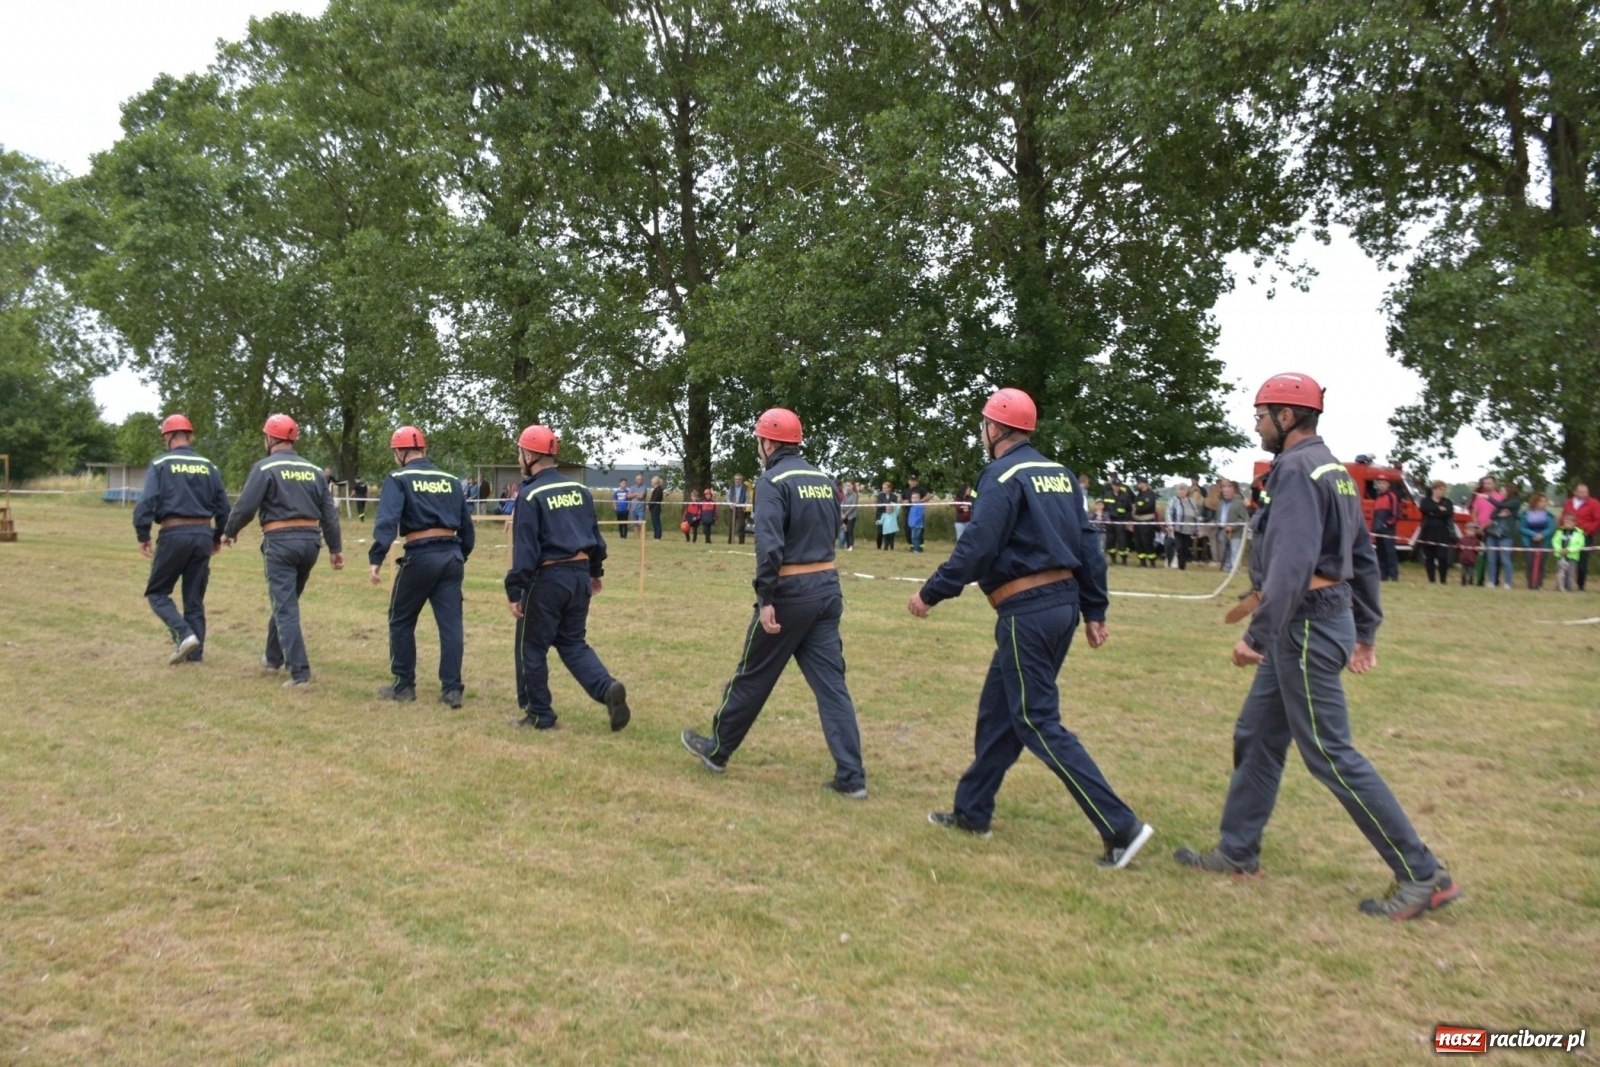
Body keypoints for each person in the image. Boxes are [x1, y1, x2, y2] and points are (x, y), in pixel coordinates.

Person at [1174, 372, 1458, 920]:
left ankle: (1422, 872)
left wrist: (1256, 635)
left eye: (1261, 415)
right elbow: (1363, 557)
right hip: (1315, 623)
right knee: (1257, 733)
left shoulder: (1298, 471)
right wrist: (1366, 628)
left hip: (1304, 627)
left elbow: (1294, 563)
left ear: (1286, 417)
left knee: (1330, 753)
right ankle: (1237, 851)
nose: (1256, 425)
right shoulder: (1334, 471)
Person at [908, 388, 1151, 868]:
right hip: (1060, 607)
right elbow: (1088, 546)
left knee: (1037, 721)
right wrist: (1094, 610)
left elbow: (978, 544)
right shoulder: (1061, 476)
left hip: (1027, 611)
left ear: (996, 428)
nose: (982, 433)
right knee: (998, 713)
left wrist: (932, 592)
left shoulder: (1001, 475)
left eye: (984, 425)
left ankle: (1121, 826)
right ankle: (972, 811)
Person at [681, 408, 867, 798]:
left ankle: (717, 750)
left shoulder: (771, 481)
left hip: (789, 593)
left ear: (768, 442)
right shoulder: (823, 479)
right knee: (833, 687)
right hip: (827, 588)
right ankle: (852, 777)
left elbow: (768, 545)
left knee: (752, 675)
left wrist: (766, 597)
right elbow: (832, 530)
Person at [504, 424, 630, 732]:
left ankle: (539, 714)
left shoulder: (530, 495)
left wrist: (515, 588)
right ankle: (606, 688)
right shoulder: (579, 491)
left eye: (520, 453)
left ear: (530, 455)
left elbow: (526, 548)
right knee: (572, 642)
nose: (519, 459)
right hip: (579, 577)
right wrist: (595, 571)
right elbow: (595, 536)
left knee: (531, 647)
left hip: (548, 578)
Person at [222, 413, 345, 688]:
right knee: (286, 601)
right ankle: (272, 657)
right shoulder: (314, 471)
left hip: (280, 542)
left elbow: (245, 506)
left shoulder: (265, 468)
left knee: (285, 606)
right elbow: (329, 513)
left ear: (269, 438)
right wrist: (335, 548)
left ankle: (299, 674)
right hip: (310, 543)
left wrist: (229, 531)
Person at [368, 426, 476, 707]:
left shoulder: (399, 478)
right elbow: (467, 527)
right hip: (452, 555)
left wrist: (377, 557)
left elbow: (388, 520)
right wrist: (459, 555)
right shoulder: (450, 480)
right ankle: (452, 689)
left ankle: (404, 685)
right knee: (451, 626)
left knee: (401, 619)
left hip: (420, 554)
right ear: (424, 450)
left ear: (399, 452)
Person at [133, 414, 231, 665]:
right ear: (191, 436)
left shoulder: (161, 464)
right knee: (194, 599)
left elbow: (147, 501)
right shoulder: (209, 466)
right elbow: (224, 507)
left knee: (157, 592)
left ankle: (184, 635)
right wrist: (217, 536)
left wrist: (143, 533)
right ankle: (195, 657)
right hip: (203, 535)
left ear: (167, 437)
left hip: (174, 533)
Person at [1559, 484, 1600, 591]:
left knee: (1582, 563)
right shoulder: (1568, 502)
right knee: (1566, 560)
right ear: (1575, 492)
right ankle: (1565, 585)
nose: (1584, 494)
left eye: (1585, 492)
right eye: (1581, 492)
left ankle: (1581, 586)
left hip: (1584, 536)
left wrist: (1588, 531)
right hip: (1568, 535)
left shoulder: (1594, 503)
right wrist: (1561, 530)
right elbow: (1563, 516)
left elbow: (1598, 520)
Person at [1417, 481, 1455, 584]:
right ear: (1434, 489)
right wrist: (1438, 508)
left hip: (1443, 533)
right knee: (1429, 557)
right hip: (1428, 532)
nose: (1443, 492)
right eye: (1441, 489)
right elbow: (1424, 509)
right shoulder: (1426, 501)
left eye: (1444, 490)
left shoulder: (1447, 502)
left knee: (1443, 557)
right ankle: (1431, 580)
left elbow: (1448, 512)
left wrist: (1432, 513)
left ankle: (1443, 580)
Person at [1484, 482, 1520, 589]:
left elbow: (1501, 506)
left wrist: (1488, 498)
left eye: (1503, 491)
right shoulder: (1501, 503)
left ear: (1509, 491)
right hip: (1493, 533)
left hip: (1506, 534)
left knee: (1505, 559)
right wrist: (1500, 515)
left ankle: (1508, 582)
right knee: (1491, 558)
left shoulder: (1515, 502)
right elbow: (1493, 515)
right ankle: (1491, 581)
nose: (1501, 493)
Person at [1520, 492, 1555, 590]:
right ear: (1535, 501)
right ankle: (1531, 584)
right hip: (1529, 541)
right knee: (1530, 563)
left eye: (1545, 501)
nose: (1543, 503)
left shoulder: (1548, 515)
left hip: (1544, 542)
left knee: (1541, 564)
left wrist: (1542, 535)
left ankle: (1539, 584)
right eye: (1541, 501)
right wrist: (1533, 534)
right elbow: (1522, 528)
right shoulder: (1526, 514)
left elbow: (1551, 528)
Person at [1370, 476, 1401, 582]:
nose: (1381, 485)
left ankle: (1394, 576)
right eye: (1380, 483)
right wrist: (1374, 527)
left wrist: (1387, 524)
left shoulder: (1392, 497)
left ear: (1388, 485)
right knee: (1381, 553)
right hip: (1378, 530)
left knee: (1390, 553)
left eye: (1384, 483)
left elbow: (1395, 514)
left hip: (1388, 530)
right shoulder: (1378, 498)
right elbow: (1375, 515)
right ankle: (1383, 575)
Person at [1212, 479, 1247, 572]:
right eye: (1224, 492)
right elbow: (1217, 516)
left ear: (1232, 492)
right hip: (1223, 531)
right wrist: (1217, 522)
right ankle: (1227, 568)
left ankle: (1236, 570)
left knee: (1235, 551)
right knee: (1226, 551)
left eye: (1227, 492)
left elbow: (1243, 519)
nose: (1226, 494)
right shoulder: (1220, 503)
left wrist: (1233, 527)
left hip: (1236, 533)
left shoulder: (1239, 503)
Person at [1552, 512, 1586, 593]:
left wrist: (1569, 550)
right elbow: (1555, 541)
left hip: (1572, 557)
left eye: (1569, 522)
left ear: (1574, 523)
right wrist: (1559, 549)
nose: (1567, 524)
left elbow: (1580, 545)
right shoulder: (1560, 531)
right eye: (1566, 522)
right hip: (1560, 555)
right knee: (1559, 572)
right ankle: (1559, 587)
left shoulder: (1579, 533)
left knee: (1570, 573)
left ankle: (1569, 588)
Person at [1131, 476, 1158, 566]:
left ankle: (1152, 561)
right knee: (1138, 542)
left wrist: (1137, 509)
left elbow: (1148, 507)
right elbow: (1135, 505)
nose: (1138, 485)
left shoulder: (1150, 494)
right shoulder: (1139, 495)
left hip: (1147, 521)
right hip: (1137, 521)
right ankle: (1142, 561)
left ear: (1144, 484)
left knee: (1147, 541)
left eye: (1139, 483)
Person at [1109, 477, 1134, 565]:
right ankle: (1113, 559)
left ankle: (1124, 560)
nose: (1117, 487)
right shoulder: (1107, 494)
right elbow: (1104, 508)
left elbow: (1129, 510)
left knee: (1122, 541)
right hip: (1110, 521)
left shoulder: (1125, 495)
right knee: (1111, 541)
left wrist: (1127, 520)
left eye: (1118, 486)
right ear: (1112, 486)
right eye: (1115, 485)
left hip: (1121, 521)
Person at [728, 472, 751, 544]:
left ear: (741, 480)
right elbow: (728, 496)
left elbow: (747, 498)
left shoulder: (745, 488)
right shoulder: (731, 487)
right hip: (732, 508)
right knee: (731, 526)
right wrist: (730, 504)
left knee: (741, 526)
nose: (737, 481)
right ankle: (730, 542)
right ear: (734, 480)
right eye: (736, 479)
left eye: (739, 479)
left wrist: (745, 505)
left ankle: (741, 542)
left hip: (741, 509)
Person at [874, 481, 895, 549]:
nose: (883, 489)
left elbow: (895, 506)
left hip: (890, 517)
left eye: (885, 488)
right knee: (879, 533)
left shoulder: (894, 497)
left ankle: (888, 547)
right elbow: (879, 505)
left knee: (889, 533)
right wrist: (888, 505)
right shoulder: (880, 496)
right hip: (880, 516)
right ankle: (878, 547)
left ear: (889, 488)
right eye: (883, 488)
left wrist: (891, 506)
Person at [907, 487, 928, 553]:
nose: (914, 499)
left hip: (917, 525)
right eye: (913, 497)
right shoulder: (912, 506)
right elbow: (910, 516)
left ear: (919, 498)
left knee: (915, 538)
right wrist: (910, 523)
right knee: (913, 538)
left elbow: (919, 516)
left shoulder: (919, 506)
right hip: (912, 525)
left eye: (916, 497)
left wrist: (914, 523)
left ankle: (916, 550)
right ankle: (916, 549)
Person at [840, 479, 860, 550]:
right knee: (845, 530)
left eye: (849, 485)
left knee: (850, 530)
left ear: (853, 486)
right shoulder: (845, 494)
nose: (848, 487)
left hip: (851, 516)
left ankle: (851, 545)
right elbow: (842, 504)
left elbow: (853, 506)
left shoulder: (855, 494)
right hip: (844, 515)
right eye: (847, 485)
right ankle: (848, 545)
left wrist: (846, 514)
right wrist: (842, 514)